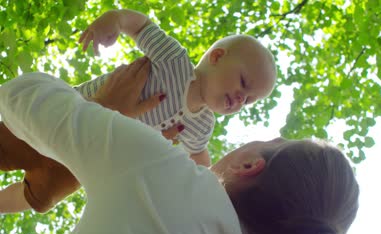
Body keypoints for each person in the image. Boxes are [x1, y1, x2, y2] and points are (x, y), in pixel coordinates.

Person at [0, 57, 359, 234]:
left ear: (249, 166)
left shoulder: (166, 173)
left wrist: (108, 110)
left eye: (268, 140)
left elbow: (21, 96)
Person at [0, 8, 277, 213]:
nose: (241, 99)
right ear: (217, 56)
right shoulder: (175, 61)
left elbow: (199, 158)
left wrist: (209, 187)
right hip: (72, 113)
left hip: (90, 154)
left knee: (40, 197)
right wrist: (115, 20)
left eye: (249, 100)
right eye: (243, 83)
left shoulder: (203, 125)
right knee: (9, 143)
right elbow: (142, 27)